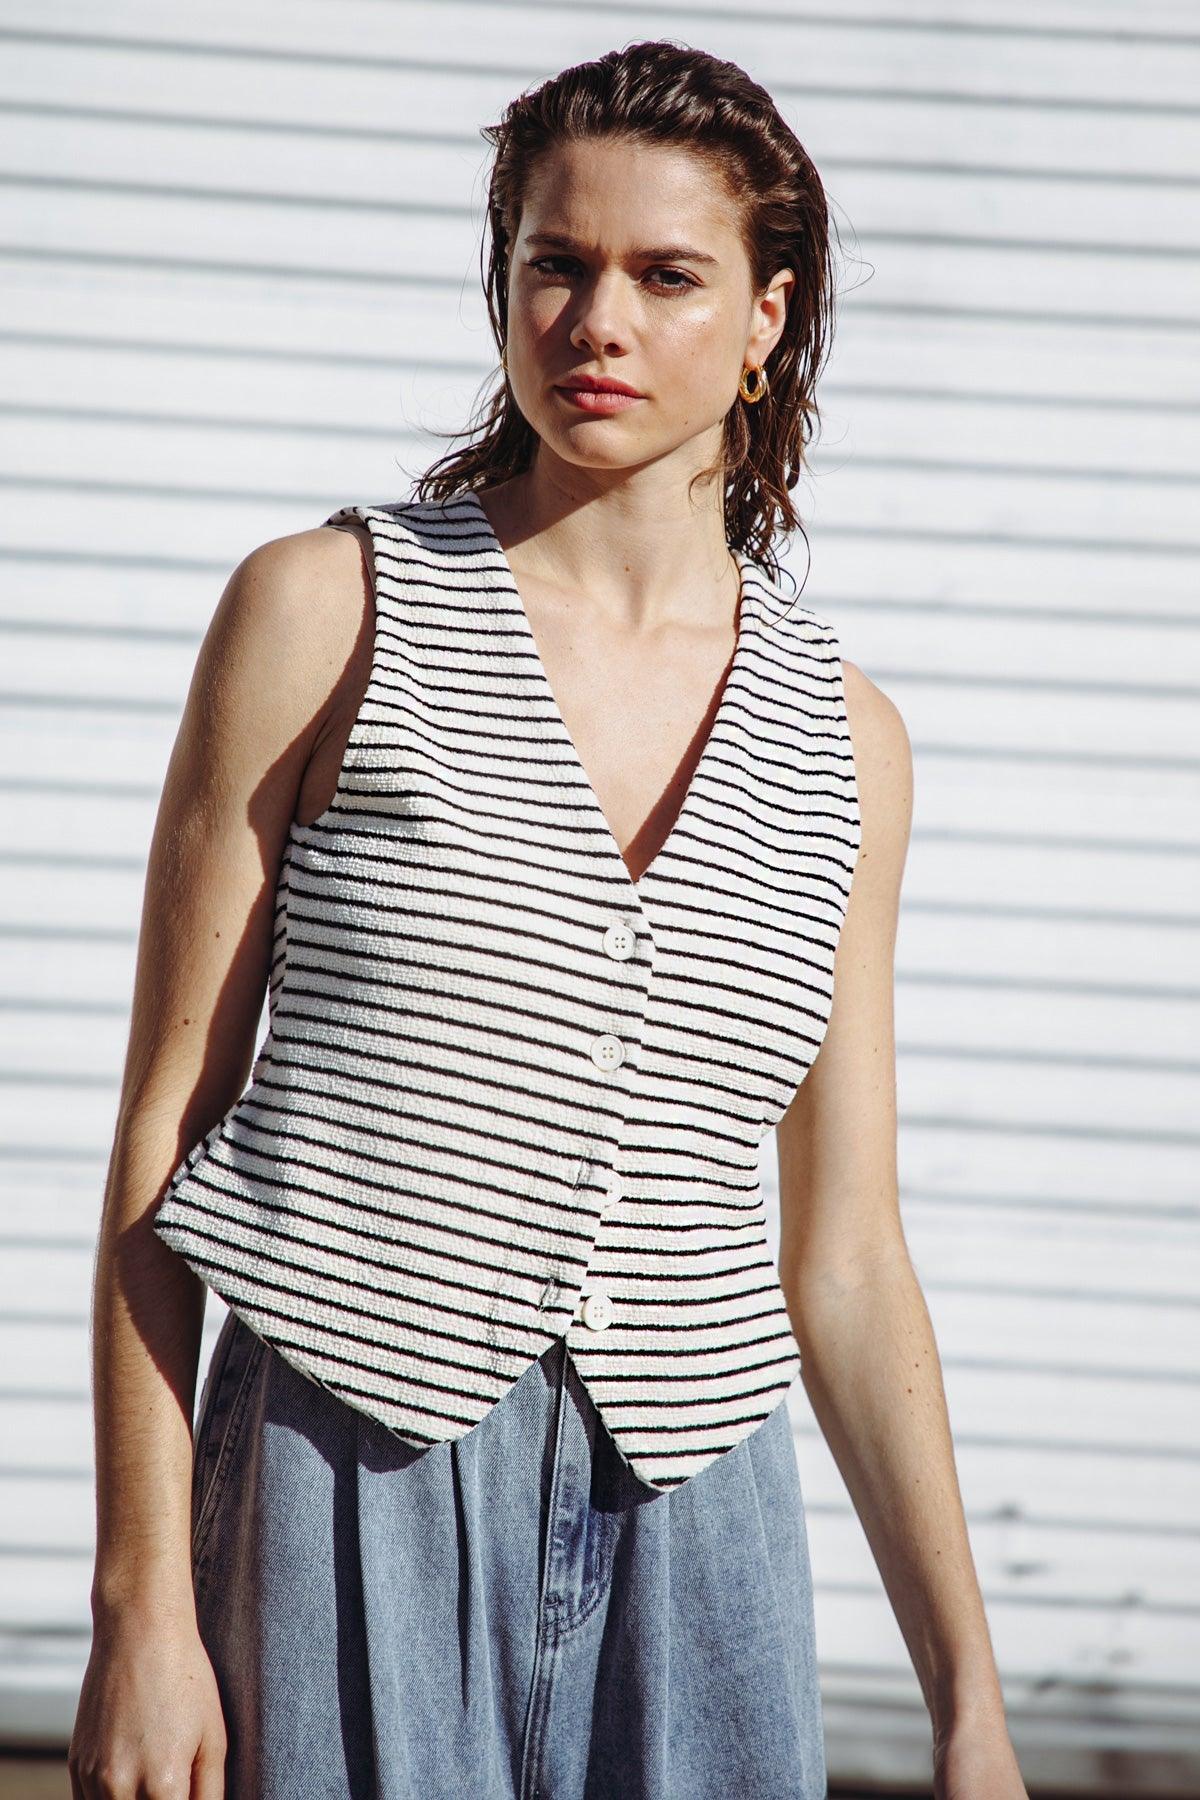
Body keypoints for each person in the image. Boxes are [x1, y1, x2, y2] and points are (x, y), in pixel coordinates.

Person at [69, 38, 1028, 1800]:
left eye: (669, 277)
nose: (598, 318)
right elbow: (161, 1136)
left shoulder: (851, 745)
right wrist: (141, 1604)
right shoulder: (325, 612)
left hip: (699, 1517)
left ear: (767, 318)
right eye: (554, 263)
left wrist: (969, 1701)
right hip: (341, 1484)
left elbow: (847, 1253)